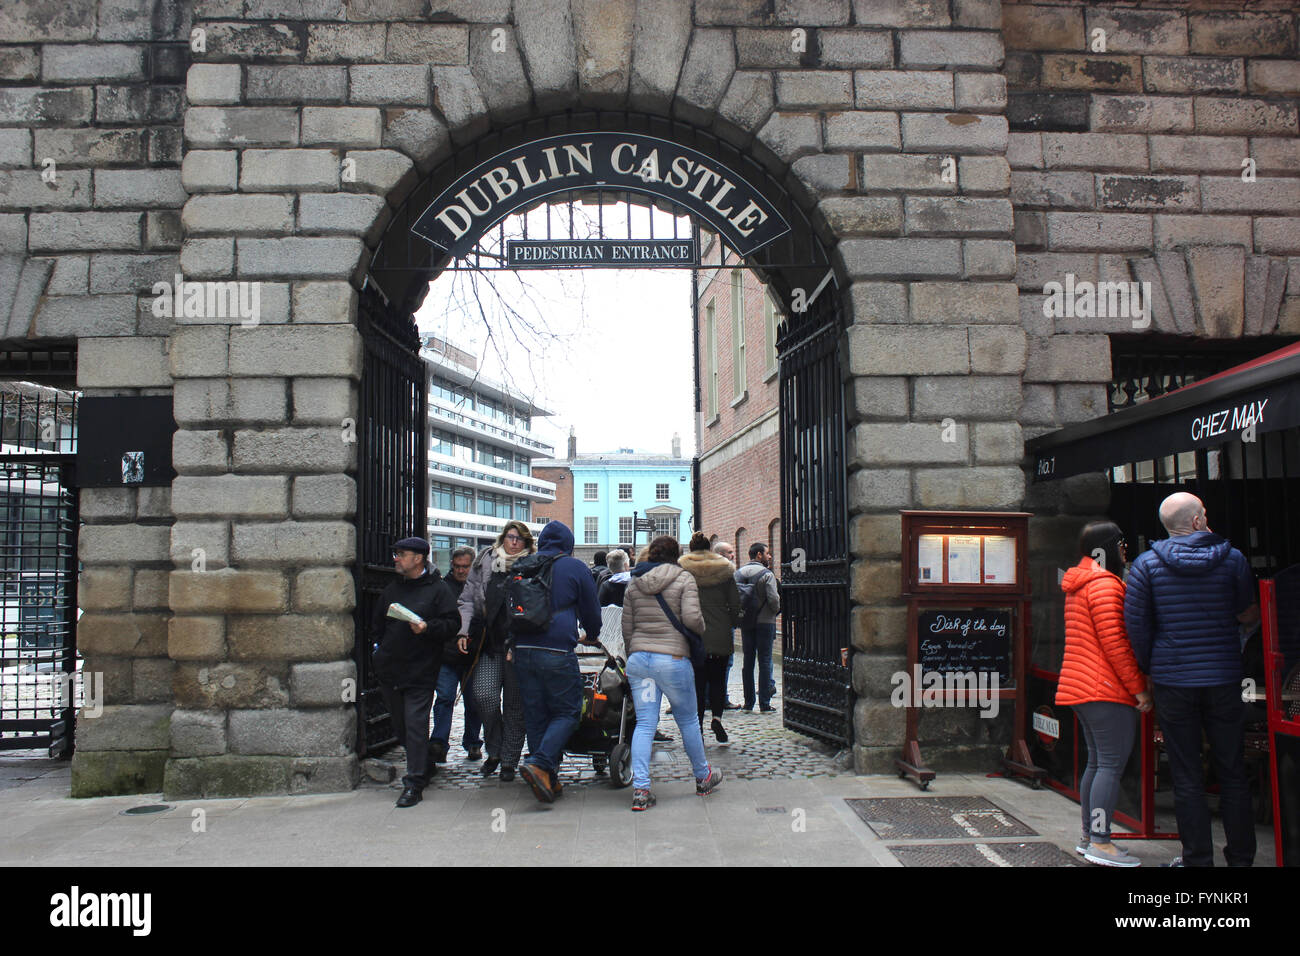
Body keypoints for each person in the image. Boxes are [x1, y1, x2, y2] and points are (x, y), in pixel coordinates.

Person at [1123, 492, 1259, 868]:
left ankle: (1197, 859)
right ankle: (1242, 859)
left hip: (1173, 678)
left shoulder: (1146, 565)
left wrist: (1153, 668)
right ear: (1198, 521)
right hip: (1224, 676)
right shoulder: (1233, 559)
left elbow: (1137, 627)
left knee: (1185, 773)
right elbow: (1247, 612)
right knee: (1232, 769)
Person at [1057, 522, 1152, 867]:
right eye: (1122, 543)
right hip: (1105, 689)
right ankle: (1100, 841)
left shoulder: (1079, 584)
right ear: (1109, 547)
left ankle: (1089, 836)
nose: (1126, 550)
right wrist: (1139, 689)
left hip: (1082, 687)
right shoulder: (1105, 587)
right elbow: (1117, 646)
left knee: (1096, 764)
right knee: (1109, 766)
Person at [623, 534, 722, 810]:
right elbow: (691, 619)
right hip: (673, 659)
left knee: (645, 723)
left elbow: (627, 628)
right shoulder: (684, 578)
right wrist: (701, 627)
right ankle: (703, 778)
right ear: (675, 555)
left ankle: (641, 790)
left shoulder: (634, 583)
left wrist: (635, 653)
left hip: (641, 662)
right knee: (688, 720)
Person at [513, 520, 603, 804]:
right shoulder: (574, 567)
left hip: (522, 648)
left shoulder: (524, 564)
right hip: (556, 649)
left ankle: (547, 778)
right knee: (568, 710)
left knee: (536, 713)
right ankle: (540, 763)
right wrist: (592, 633)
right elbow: (591, 610)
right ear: (569, 544)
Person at [370, 536, 460, 808]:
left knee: (416, 724)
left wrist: (427, 628)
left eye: (401, 553)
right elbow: (376, 625)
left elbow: (452, 623)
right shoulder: (392, 589)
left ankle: (415, 782)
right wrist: (379, 651)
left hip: (421, 668)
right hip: (391, 668)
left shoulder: (438, 589)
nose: (396, 558)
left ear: (418, 558)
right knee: (400, 726)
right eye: (396, 553)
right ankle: (425, 763)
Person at [455, 522, 533, 784]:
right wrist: (464, 630)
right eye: (511, 537)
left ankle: (508, 759)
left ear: (526, 543)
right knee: (484, 695)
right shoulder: (486, 560)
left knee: (515, 705)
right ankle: (495, 748)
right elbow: (467, 599)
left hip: (518, 645)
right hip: (489, 642)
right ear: (503, 538)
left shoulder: (532, 564)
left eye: (519, 539)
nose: (514, 543)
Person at [680, 532, 741, 743]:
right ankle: (716, 717)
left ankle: (697, 724)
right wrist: (733, 622)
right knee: (717, 679)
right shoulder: (724, 570)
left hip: (693, 633)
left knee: (696, 681)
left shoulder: (683, 570)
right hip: (720, 632)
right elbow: (735, 603)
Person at [429, 547, 483, 764]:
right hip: (448, 655)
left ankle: (472, 742)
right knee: (444, 698)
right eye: (457, 566)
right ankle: (439, 743)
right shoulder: (442, 588)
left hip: (472, 654)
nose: (461, 570)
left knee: (474, 702)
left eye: (465, 566)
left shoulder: (480, 590)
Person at [735, 542, 781, 712]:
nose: (770, 556)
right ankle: (764, 702)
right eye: (767, 553)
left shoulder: (737, 574)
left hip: (746, 622)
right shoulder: (767, 574)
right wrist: (775, 611)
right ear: (759, 555)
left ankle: (748, 702)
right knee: (765, 660)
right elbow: (774, 600)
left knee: (747, 661)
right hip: (765, 622)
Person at [713, 541, 740, 709]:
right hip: (723, 623)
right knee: (725, 663)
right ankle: (721, 698)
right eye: (729, 552)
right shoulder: (726, 574)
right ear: (721, 555)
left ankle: (713, 697)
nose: (733, 555)